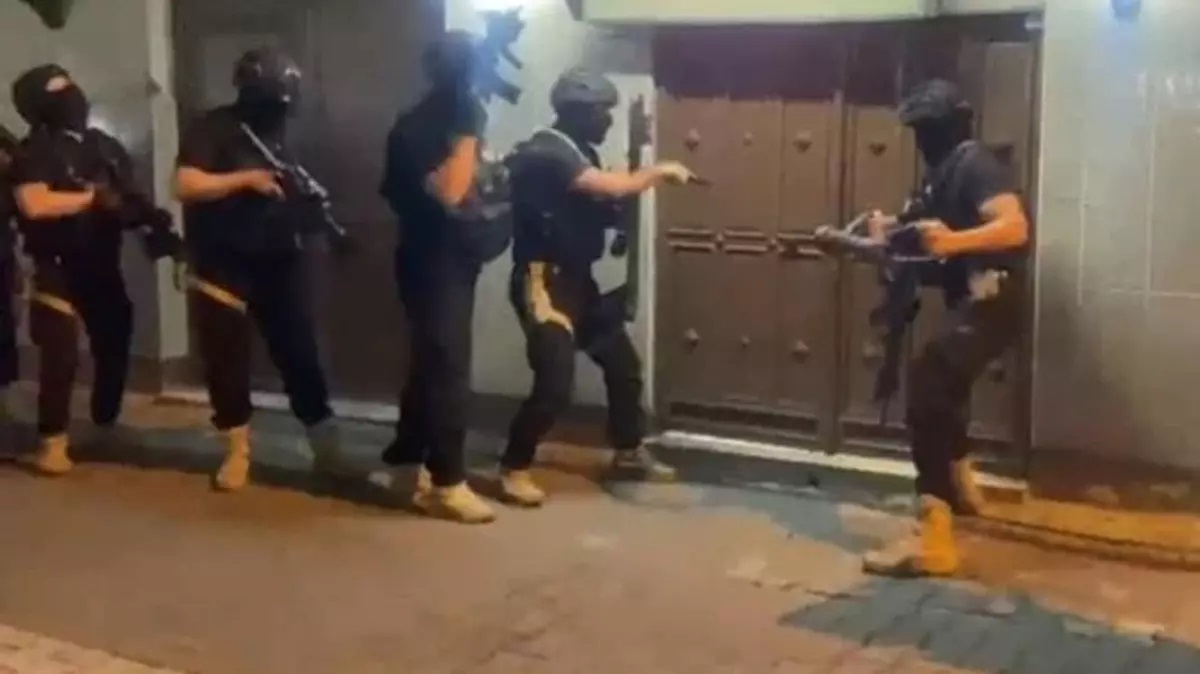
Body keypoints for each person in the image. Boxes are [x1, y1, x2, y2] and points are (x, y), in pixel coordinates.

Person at [497, 67, 696, 508]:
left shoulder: (578, 150)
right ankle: (513, 467)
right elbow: (604, 185)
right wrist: (657, 172)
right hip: (543, 283)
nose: (607, 120)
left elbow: (597, 201)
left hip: (578, 283)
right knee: (554, 383)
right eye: (601, 112)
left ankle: (628, 451)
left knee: (623, 367)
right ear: (577, 112)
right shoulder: (548, 152)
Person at [862, 79, 1029, 577]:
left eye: (928, 128)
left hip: (994, 298)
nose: (922, 138)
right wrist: (883, 233)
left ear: (952, 125)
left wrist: (953, 243)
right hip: (974, 301)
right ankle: (960, 488)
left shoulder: (975, 162)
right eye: (918, 129)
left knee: (929, 385)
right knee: (944, 390)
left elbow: (1014, 226)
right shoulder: (938, 177)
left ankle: (934, 531)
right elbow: (914, 231)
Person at [173, 47, 350, 492]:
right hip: (222, 260)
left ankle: (326, 446)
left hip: (280, 258)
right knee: (226, 359)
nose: (280, 109)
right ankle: (237, 451)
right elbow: (185, 183)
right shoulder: (214, 127)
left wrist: (316, 216)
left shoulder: (285, 134)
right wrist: (245, 180)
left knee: (300, 353)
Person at [379, 31, 498, 524]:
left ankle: (406, 459)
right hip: (437, 263)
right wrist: (470, 135)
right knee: (449, 369)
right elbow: (451, 191)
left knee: (430, 362)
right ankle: (448, 482)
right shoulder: (446, 121)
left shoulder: (414, 122)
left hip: (428, 257)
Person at [8, 64, 143, 474]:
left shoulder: (104, 146)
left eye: (70, 85)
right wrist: (89, 200)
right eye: (58, 89)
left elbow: (129, 197)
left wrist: (149, 223)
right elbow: (34, 203)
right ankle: (53, 440)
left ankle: (105, 417)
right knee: (60, 351)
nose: (72, 94)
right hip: (57, 266)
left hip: (101, 262)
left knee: (116, 335)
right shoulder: (34, 151)